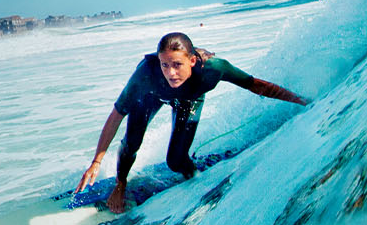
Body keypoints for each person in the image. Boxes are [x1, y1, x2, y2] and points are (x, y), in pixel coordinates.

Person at [75, 32, 308, 214]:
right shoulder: (146, 75)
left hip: (189, 99)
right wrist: (97, 161)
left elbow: (254, 84)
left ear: (193, 61)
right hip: (149, 97)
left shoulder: (213, 69)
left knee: (175, 161)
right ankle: (121, 184)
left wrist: (298, 99)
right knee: (132, 142)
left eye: (177, 64)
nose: (170, 72)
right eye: (164, 65)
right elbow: (117, 114)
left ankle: (195, 178)